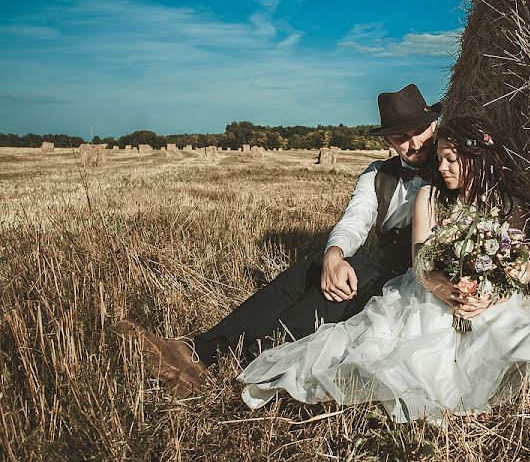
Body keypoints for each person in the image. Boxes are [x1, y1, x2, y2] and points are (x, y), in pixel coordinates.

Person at [237, 116, 530, 424]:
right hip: (428, 292)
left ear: (475, 156)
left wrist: (491, 293)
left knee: (515, 337)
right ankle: (249, 346)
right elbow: (420, 257)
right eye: (440, 158)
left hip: (486, 296)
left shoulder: (508, 204)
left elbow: (523, 261)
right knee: (383, 337)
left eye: (451, 158)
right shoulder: (428, 194)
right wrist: (442, 289)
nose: (441, 165)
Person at [116, 84, 450, 396]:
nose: (413, 143)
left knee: (340, 286)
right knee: (312, 268)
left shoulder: (456, 166)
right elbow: (355, 220)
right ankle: (197, 350)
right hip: (383, 268)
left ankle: (244, 362)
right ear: (388, 141)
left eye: (418, 131)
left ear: (432, 124)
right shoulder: (378, 174)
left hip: (419, 282)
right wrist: (334, 254)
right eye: (399, 137)